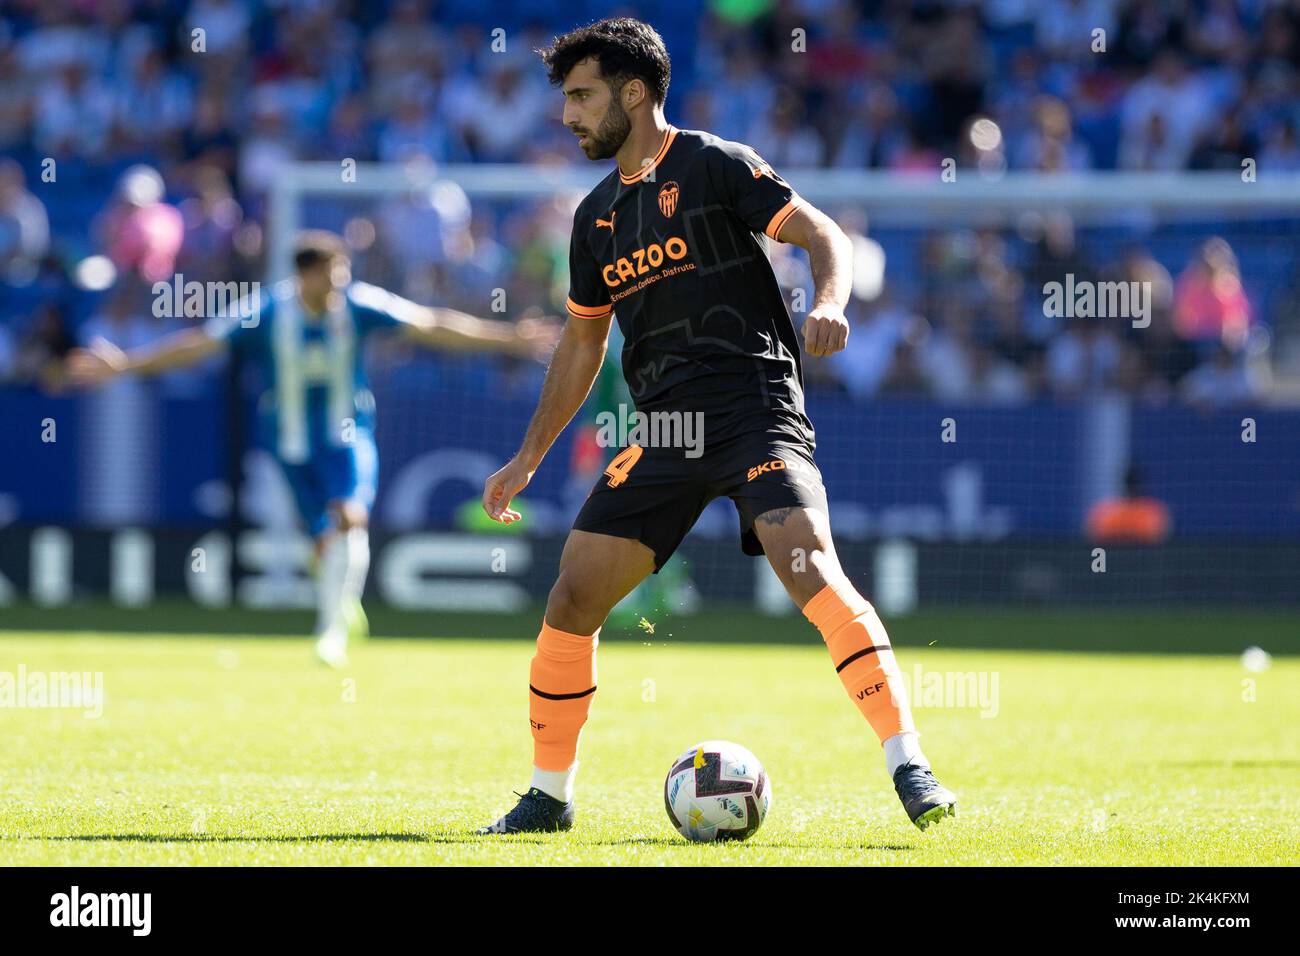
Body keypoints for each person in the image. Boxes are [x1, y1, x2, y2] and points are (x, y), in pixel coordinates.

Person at [477, 18, 956, 834]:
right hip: (663, 429)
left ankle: (909, 765)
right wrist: (528, 456)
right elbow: (583, 342)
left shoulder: (713, 164)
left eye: (583, 96)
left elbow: (820, 233)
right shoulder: (595, 217)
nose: (569, 116)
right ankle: (548, 795)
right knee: (572, 594)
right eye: (566, 100)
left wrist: (832, 301)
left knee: (809, 568)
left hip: (754, 409)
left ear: (635, 93)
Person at [69, 230, 556, 667]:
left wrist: (509, 337)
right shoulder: (265, 313)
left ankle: (330, 632)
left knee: (349, 515)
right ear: (304, 275)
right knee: (324, 538)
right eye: (331, 274)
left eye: (344, 272)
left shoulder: (360, 305)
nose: (340, 282)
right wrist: (127, 366)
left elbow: (430, 324)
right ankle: (341, 600)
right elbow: (199, 343)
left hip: (347, 434)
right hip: (290, 443)